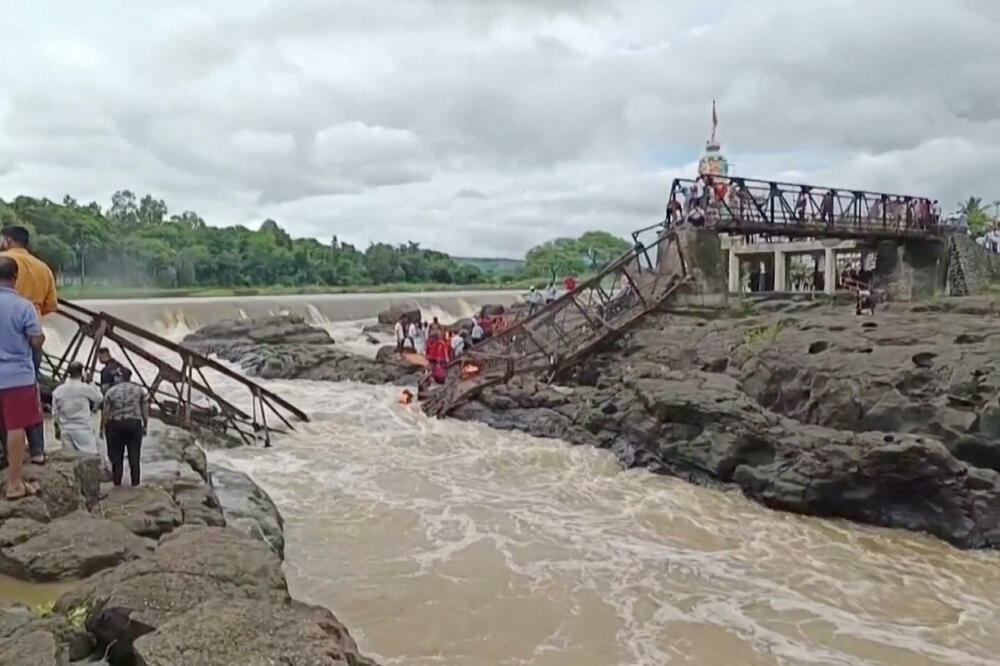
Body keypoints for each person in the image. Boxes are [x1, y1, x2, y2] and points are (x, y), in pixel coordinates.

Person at [2, 226, 57, 465]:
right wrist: (31, 311)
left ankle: (6, 454)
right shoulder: (42, 267)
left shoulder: (3, 261)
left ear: (9, 240)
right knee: (30, 391)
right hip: (30, 332)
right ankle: (37, 451)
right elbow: (51, 305)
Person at [0, 256, 45, 499]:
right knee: (15, 427)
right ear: (15, 278)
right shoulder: (23, 306)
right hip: (16, 377)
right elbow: (36, 339)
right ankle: (14, 483)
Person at [101, 367, 149, 487]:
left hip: (115, 425)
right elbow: (144, 409)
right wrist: (145, 424)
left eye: (116, 376)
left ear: (120, 377)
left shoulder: (111, 391)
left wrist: (102, 427)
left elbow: (106, 412)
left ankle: (117, 483)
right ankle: (135, 483)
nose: (114, 378)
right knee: (134, 454)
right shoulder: (139, 390)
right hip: (134, 424)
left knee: (116, 456)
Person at [52, 361, 103, 455]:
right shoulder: (85, 388)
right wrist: (91, 383)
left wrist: (57, 428)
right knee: (89, 457)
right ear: (82, 373)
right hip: (83, 428)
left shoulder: (59, 390)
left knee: (70, 460)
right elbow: (99, 398)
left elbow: (55, 413)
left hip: (66, 429)